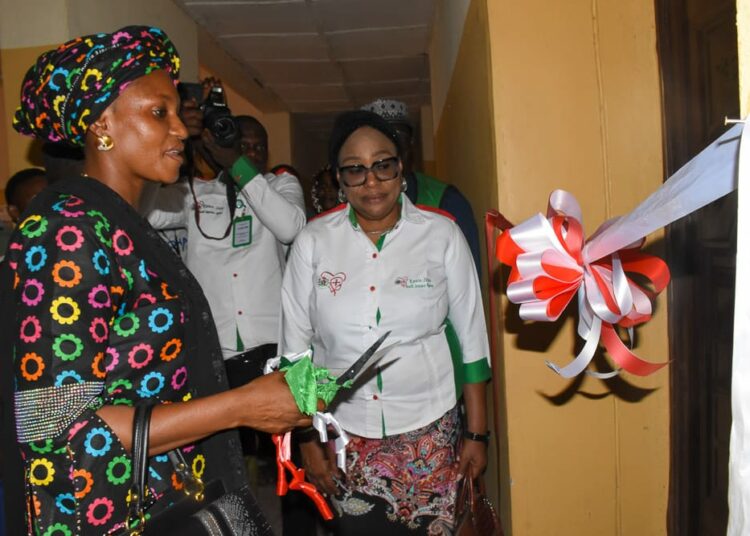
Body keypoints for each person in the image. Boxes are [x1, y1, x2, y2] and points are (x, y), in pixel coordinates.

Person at [2, 26, 309, 535]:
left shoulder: (118, 222)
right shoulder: (70, 231)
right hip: (102, 518)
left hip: (154, 494)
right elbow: (58, 426)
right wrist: (242, 405)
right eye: (158, 113)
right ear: (102, 123)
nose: (182, 131)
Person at [280, 110, 491, 535]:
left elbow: (472, 338)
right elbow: (295, 350)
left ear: (402, 169)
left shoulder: (441, 234)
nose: (371, 182)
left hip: (432, 431)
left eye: (383, 165)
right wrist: (306, 441)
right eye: (355, 170)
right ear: (339, 178)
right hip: (345, 433)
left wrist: (477, 433)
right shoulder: (313, 242)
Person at [361, 98, 481, 272]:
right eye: (380, 145)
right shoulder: (355, 204)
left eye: (399, 141)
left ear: (411, 147)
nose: (392, 152)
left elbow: (469, 280)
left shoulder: (446, 201)